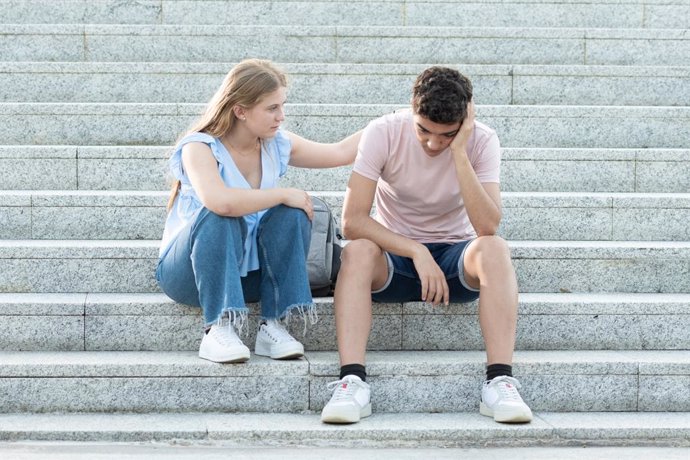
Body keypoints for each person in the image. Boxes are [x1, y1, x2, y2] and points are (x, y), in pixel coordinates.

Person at [320, 66, 533, 424]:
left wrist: (460, 154)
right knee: (356, 251)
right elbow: (352, 221)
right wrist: (415, 250)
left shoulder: (482, 140)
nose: (433, 143)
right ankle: (351, 381)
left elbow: (487, 225)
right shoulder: (383, 131)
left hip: (454, 259)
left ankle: (499, 381)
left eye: (446, 135)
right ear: (411, 109)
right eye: (423, 130)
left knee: (494, 248)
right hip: (396, 260)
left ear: (464, 122)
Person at [156, 59, 360, 364]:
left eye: (282, 106)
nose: (281, 116)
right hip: (191, 273)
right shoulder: (199, 148)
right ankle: (218, 327)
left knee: (293, 212)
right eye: (272, 108)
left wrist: (397, 121)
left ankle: (272, 325)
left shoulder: (275, 144)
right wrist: (281, 193)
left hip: (249, 275)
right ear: (240, 110)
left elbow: (340, 153)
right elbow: (220, 201)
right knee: (221, 215)